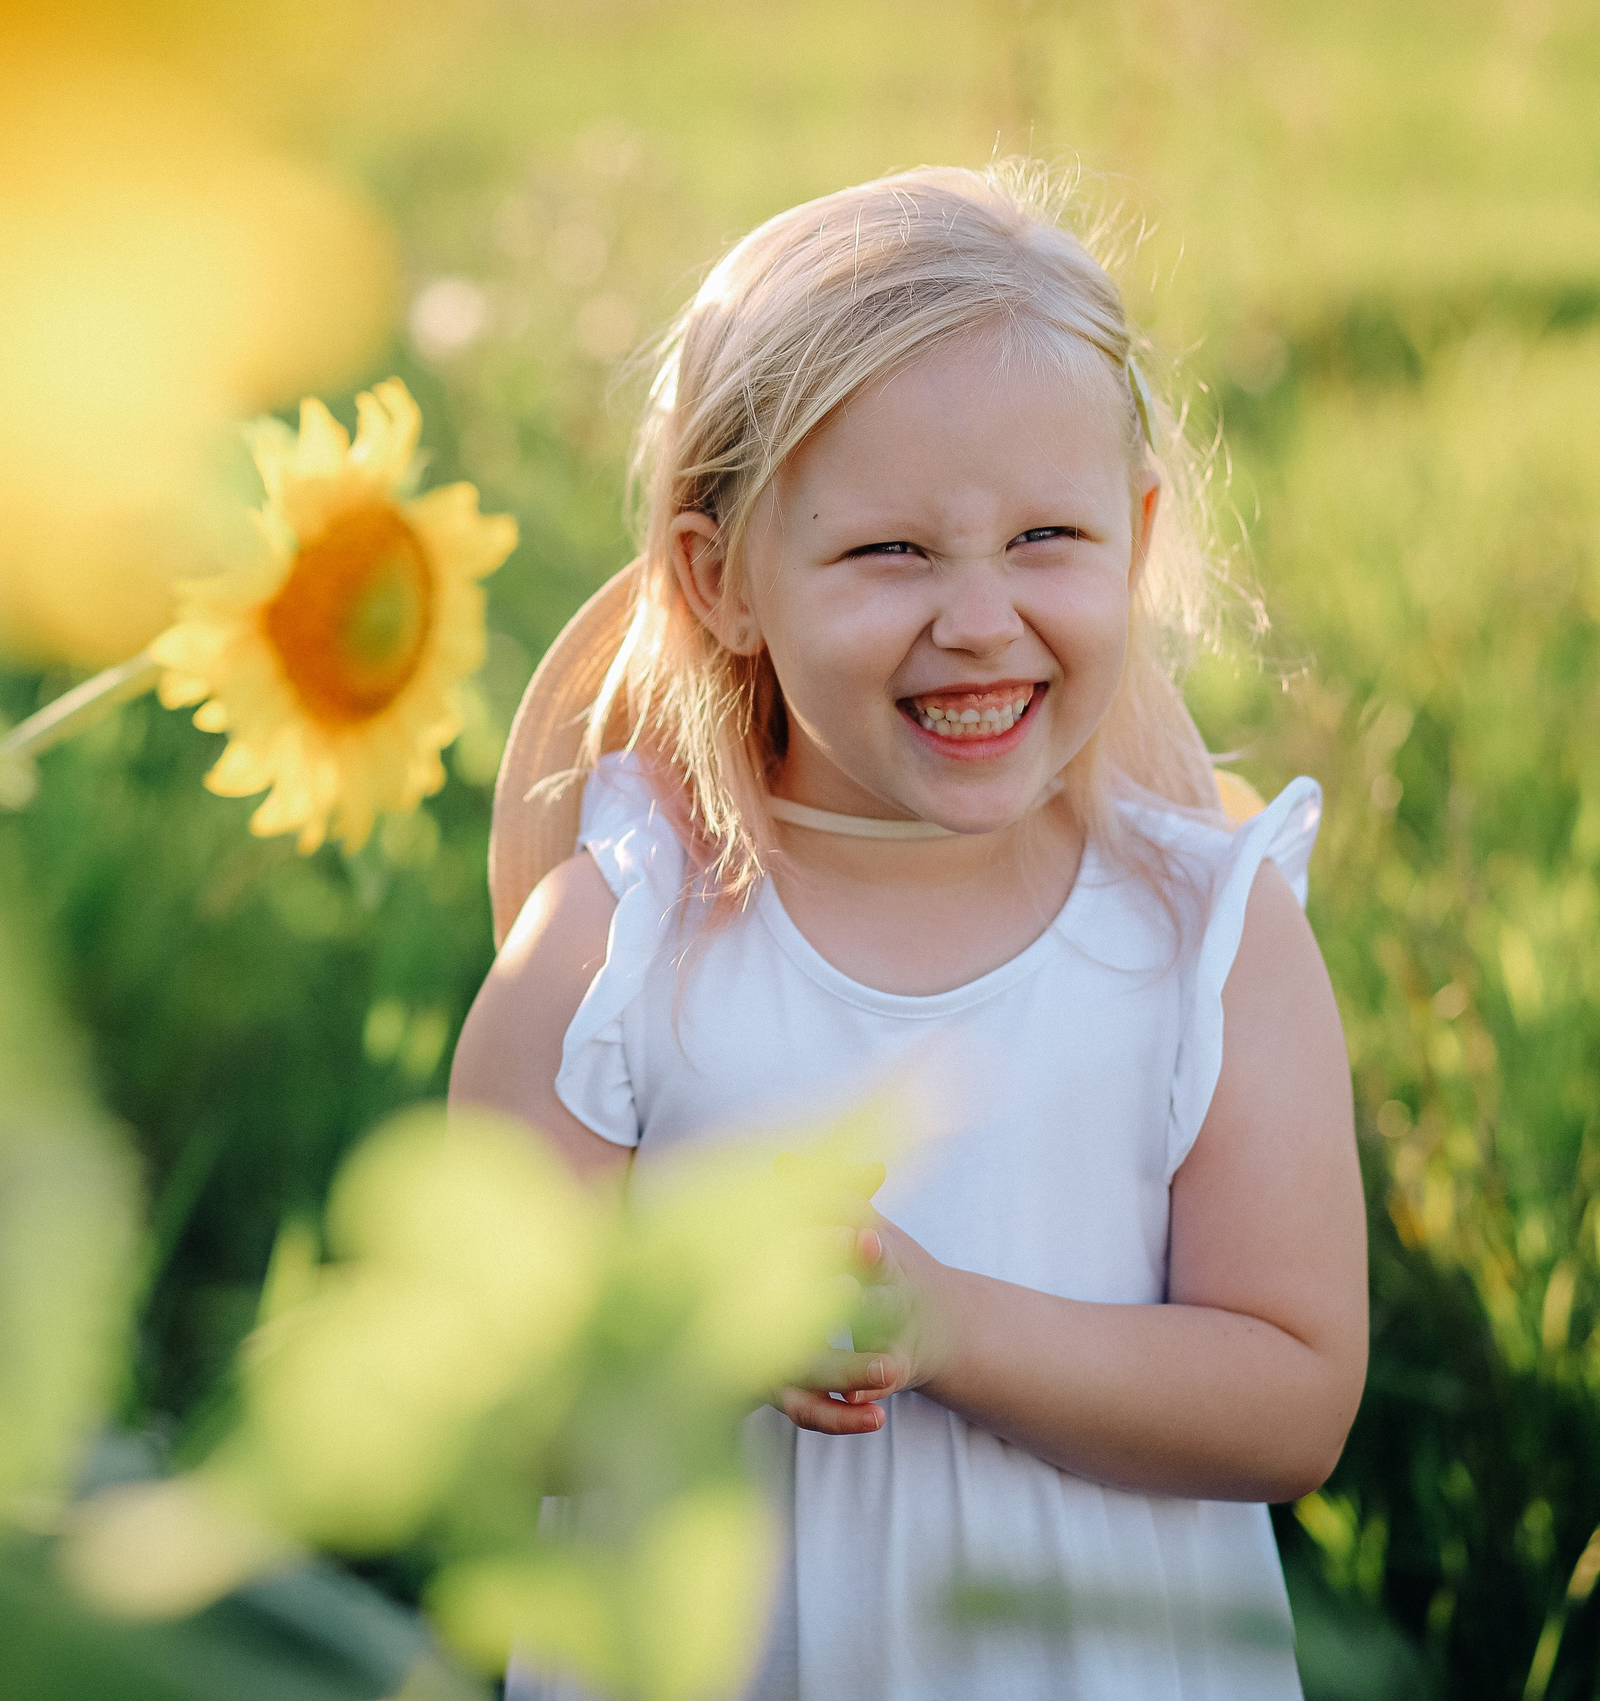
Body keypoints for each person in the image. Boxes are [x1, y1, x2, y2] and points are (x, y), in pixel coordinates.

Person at [448, 164, 1367, 1699]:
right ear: (719, 576)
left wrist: (945, 1324)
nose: (979, 618)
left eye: (1046, 539)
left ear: (1137, 541)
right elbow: (467, 1386)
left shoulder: (1208, 934)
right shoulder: (614, 947)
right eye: (891, 553)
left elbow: (1290, 1398)